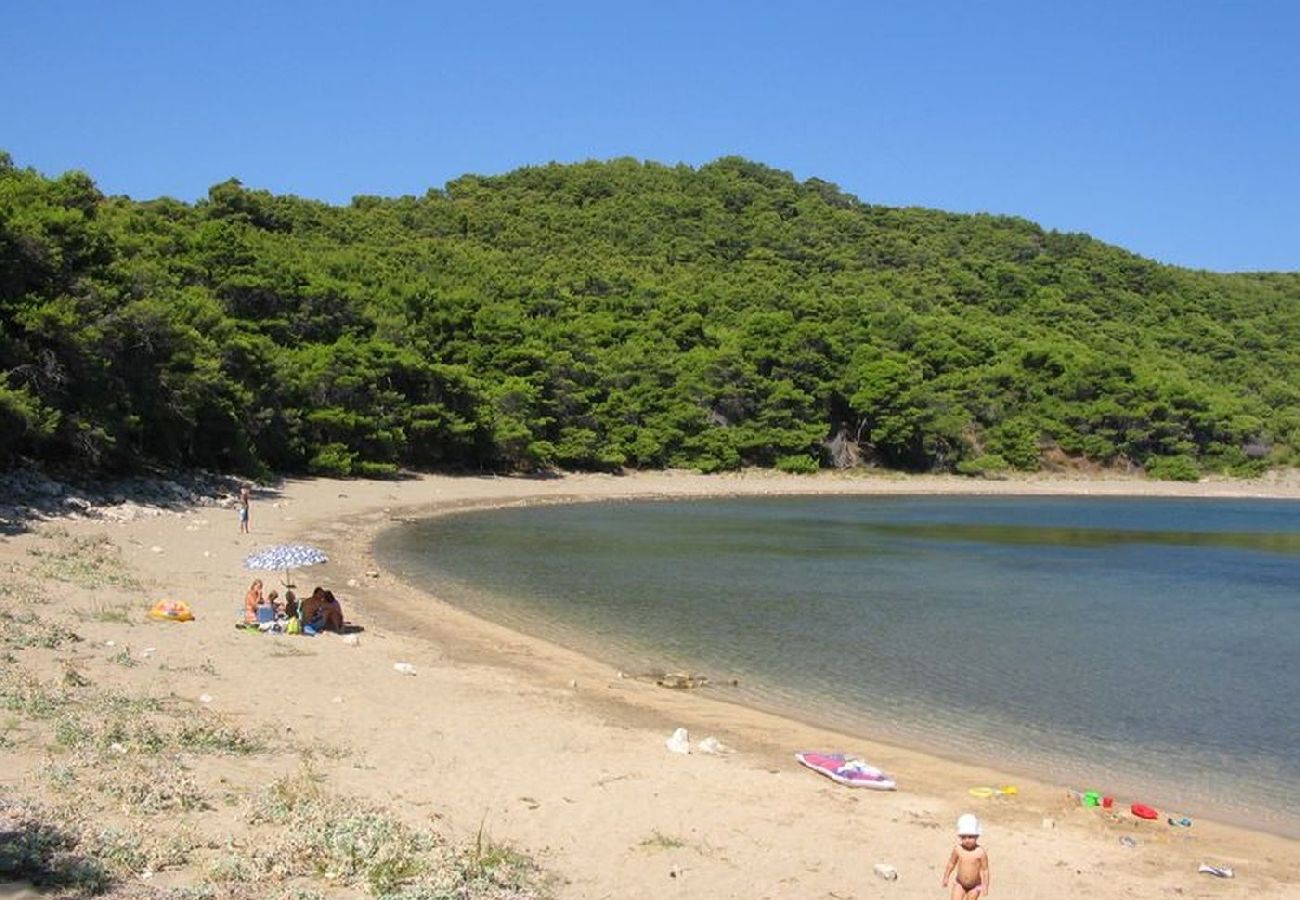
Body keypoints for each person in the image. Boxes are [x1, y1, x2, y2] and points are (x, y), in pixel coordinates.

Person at [941, 814, 990, 899]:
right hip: (960, 883)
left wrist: (985, 886)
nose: (967, 840)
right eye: (964, 837)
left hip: (974, 886)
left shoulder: (980, 852)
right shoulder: (958, 849)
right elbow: (951, 863)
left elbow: (985, 870)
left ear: (977, 836)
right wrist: (946, 877)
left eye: (970, 837)